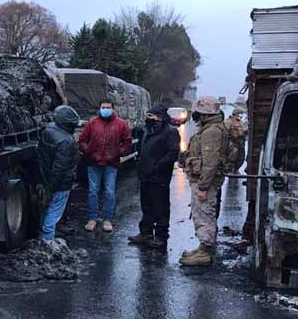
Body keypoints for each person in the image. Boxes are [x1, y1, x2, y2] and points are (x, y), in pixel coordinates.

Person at [180, 95, 229, 267]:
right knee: (201, 212)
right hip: (202, 180)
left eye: (197, 112)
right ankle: (202, 247)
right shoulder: (209, 128)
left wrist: (203, 187)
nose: (194, 115)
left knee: (204, 213)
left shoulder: (212, 131)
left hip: (205, 182)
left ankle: (204, 252)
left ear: (204, 113)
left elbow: (210, 162)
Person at [128, 106, 180, 250]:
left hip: (159, 177)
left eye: (151, 116)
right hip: (145, 175)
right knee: (146, 206)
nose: (148, 118)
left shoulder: (170, 132)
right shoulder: (148, 130)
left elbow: (172, 153)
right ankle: (146, 233)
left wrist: (157, 167)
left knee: (160, 207)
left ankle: (161, 237)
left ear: (160, 117)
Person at [78, 100, 132, 233]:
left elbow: (127, 141)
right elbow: (82, 139)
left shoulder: (121, 124)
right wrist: (88, 151)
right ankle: (92, 218)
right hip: (93, 162)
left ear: (113, 109)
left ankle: (107, 219)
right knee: (93, 191)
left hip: (111, 163)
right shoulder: (92, 123)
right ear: (99, 108)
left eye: (108, 107)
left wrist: (119, 153)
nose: (105, 109)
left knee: (109, 192)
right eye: (103, 107)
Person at [37, 105, 81, 241]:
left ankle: (43, 236)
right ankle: (47, 240)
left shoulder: (48, 131)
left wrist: (46, 185)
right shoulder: (67, 141)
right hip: (60, 184)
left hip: (45, 177)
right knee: (54, 211)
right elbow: (60, 168)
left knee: (46, 209)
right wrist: (52, 187)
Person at [224, 107, 247, 173]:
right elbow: (225, 132)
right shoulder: (228, 121)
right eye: (240, 114)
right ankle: (230, 170)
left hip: (240, 143)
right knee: (231, 158)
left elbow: (243, 130)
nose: (241, 116)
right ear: (235, 114)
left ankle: (236, 169)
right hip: (232, 143)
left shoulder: (241, 122)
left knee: (241, 158)